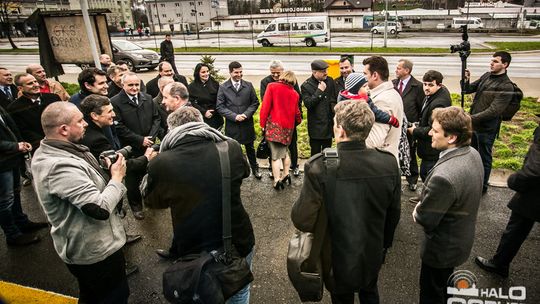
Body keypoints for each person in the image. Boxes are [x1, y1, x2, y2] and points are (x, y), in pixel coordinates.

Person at [143, 106, 255, 304]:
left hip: (193, 247)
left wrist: (150, 167)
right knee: (238, 291)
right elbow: (244, 172)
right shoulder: (231, 147)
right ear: (202, 123)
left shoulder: (161, 163)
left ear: (171, 130)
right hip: (237, 237)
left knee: (204, 294)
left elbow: (154, 202)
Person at [292, 100, 401, 304]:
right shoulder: (388, 162)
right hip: (372, 249)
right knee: (370, 291)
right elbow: (394, 213)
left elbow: (302, 220)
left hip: (335, 256)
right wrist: (383, 246)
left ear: (340, 131)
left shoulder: (320, 166)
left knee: (341, 298)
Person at [32, 102, 130, 303]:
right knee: (112, 297)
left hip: (95, 246)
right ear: (64, 129)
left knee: (96, 296)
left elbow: (84, 183)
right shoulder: (59, 166)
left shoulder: (63, 150)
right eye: (80, 121)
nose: (86, 124)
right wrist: (117, 177)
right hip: (94, 252)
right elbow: (99, 208)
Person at [413, 106, 483, 304]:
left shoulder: (444, 177)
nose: (429, 133)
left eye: (435, 131)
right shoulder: (472, 153)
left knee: (432, 294)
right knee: (445, 289)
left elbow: (425, 218)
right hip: (459, 240)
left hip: (441, 250)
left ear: (451, 137)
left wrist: (418, 209)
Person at [475, 119, 540, 278]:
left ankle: (499, 264)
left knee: (515, 230)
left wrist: (513, 181)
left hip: (533, 195)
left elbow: (534, 171)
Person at [110, 72, 163, 219]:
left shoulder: (147, 98)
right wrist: (140, 140)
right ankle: (136, 205)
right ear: (123, 85)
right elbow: (118, 126)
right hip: (131, 147)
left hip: (149, 144)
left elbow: (156, 118)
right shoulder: (115, 102)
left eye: (136, 84)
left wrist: (150, 137)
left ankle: (151, 199)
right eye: (130, 85)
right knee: (132, 178)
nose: (134, 88)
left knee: (151, 173)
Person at [464, 51, 514, 194]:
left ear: (505, 65)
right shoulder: (487, 76)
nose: (491, 63)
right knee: (471, 155)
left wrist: (470, 118)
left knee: (484, 158)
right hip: (474, 125)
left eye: (496, 61)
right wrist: (466, 79)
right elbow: (467, 89)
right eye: (491, 60)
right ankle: (472, 182)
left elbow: (494, 111)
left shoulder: (506, 86)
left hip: (487, 129)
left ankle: (482, 186)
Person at [0, 105, 48, 246]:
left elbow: (10, 127)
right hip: (2, 164)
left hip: (10, 159)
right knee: (4, 201)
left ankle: (21, 222)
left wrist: (19, 143)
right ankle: (13, 235)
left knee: (15, 193)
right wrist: (15, 146)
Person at [407, 70, 451, 204]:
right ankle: (426, 197)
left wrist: (415, 130)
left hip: (432, 148)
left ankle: (430, 202)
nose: (426, 88)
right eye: (425, 84)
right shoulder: (436, 94)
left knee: (427, 174)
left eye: (430, 85)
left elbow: (433, 129)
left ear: (439, 85)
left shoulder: (439, 103)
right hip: (430, 148)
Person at [217, 61, 262, 179]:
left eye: (241, 72)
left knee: (250, 148)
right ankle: (235, 171)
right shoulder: (223, 87)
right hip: (232, 125)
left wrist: (246, 114)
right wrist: (234, 116)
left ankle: (255, 168)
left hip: (247, 123)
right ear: (230, 72)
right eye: (236, 72)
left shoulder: (248, 85)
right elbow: (220, 107)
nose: (239, 75)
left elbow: (255, 102)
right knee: (233, 149)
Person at [259, 70, 302, 190]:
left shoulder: (272, 86)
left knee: (275, 156)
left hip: (274, 126)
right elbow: (297, 113)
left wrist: (262, 124)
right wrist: (296, 123)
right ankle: (286, 174)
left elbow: (265, 107)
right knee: (284, 152)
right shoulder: (295, 94)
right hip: (288, 129)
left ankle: (277, 180)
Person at [362, 55, 404, 162]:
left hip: (378, 165)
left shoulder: (382, 100)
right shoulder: (392, 92)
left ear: (375, 75)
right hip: (387, 162)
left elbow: (374, 142)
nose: (364, 78)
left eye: (365, 74)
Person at [393, 59, 425, 191]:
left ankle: (412, 179)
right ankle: (397, 178)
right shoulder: (393, 84)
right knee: (396, 152)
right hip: (395, 125)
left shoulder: (417, 86)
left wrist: (416, 125)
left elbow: (421, 107)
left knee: (410, 152)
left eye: (399, 68)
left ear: (407, 70)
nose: (396, 70)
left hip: (409, 126)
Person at [7, 73, 61, 150]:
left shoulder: (53, 98)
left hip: (61, 138)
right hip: (39, 146)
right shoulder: (14, 108)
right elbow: (24, 131)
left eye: (35, 81)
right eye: (30, 83)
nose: (35, 85)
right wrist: (45, 142)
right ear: (20, 88)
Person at [301, 59, 337, 156]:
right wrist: (319, 91)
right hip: (316, 128)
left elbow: (333, 99)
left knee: (328, 154)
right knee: (315, 155)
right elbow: (308, 104)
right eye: (323, 71)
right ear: (314, 72)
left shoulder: (330, 81)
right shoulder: (306, 86)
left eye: (326, 70)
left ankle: (326, 171)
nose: (326, 73)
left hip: (328, 125)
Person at [189, 63, 223, 129]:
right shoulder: (191, 87)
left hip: (215, 117)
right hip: (200, 118)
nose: (206, 74)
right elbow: (191, 103)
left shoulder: (215, 84)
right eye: (203, 72)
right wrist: (204, 112)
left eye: (207, 71)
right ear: (198, 73)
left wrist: (212, 111)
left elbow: (219, 99)